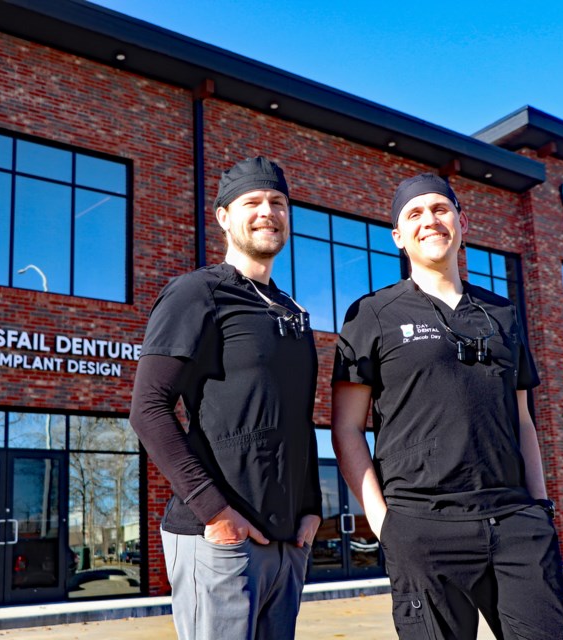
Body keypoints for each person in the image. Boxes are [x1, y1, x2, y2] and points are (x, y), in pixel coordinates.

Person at [331, 173, 563, 639]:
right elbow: (346, 429)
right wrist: (386, 525)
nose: (430, 220)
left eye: (440, 209)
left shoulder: (503, 313)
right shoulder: (372, 314)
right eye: (415, 214)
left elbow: (523, 419)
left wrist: (539, 507)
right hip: (423, 528)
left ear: (462, 222)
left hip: (514, 524)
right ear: (398, 237)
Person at [129, 156, 322, 640]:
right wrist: (215, 513)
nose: (267, 212)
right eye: (252, 202)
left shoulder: (292, 312)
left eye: (278, 202)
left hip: (286, 542)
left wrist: (313, 506)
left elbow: (298, 419)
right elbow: (148, 409)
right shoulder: (198, 293)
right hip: (221, 540)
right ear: (222, 217)